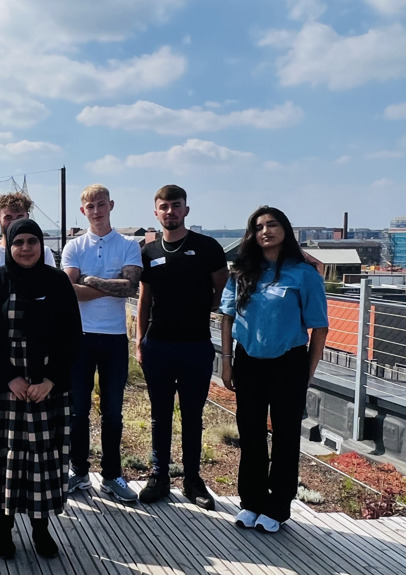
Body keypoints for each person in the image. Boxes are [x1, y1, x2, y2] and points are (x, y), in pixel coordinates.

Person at [0, 218, 81, 560]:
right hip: (5, 388)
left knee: (43, 461)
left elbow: (71, 336)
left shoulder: (57, 281)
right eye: (18, 242)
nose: (25, 248)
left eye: (32, 241)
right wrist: (10, 378)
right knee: (5, 459)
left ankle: (41, 529)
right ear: (8, 245)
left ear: (41, 246)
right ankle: (3, 528)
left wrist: (49, 379)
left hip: (46, 387)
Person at [219, 206, 328, 534]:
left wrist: (308, 371)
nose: (265, 231)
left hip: (289, 363)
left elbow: (319, 327)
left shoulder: (304, 273)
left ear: (285, 229)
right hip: (248, 361)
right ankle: (250, 501)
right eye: (258, 226)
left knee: (285, 435)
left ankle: (278, 506)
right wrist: (226, 361)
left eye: (272, 224)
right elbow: (226, 317)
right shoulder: (240, 272)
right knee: (250, 433)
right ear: (251, 234)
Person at [136, 185, 228, 509]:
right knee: (160, 415)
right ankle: (159, 476)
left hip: (195, 346)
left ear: (186, 210)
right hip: (158, 345)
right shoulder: (148, 252)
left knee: (192, 416)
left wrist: (202, 305)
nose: (170, 212)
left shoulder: (207, 248)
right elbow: (144, 299)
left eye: (176, 206)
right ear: (156, 212)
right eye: (164, 206)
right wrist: (138, 342)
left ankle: (192, 480)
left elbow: (221, 288)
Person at [61, 184, 142, 502]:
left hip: (114, 339)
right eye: (90, 206)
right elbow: (68, 289)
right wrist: (112, 284)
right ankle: (78, 472)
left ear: (111, 205)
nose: (96, 211)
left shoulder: (128, 245)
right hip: (79, 338)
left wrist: (91, 279)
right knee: (78, 411)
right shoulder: (74, 246)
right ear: (83, 211)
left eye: (101, 205)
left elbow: (130, 286)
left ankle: (112, 476)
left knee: (113, 413)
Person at [0, 191, 55, 295]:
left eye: (20, 217)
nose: (14, 223)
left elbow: (52, 291)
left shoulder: (43, 252)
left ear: (27, 217)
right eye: (8, 218)